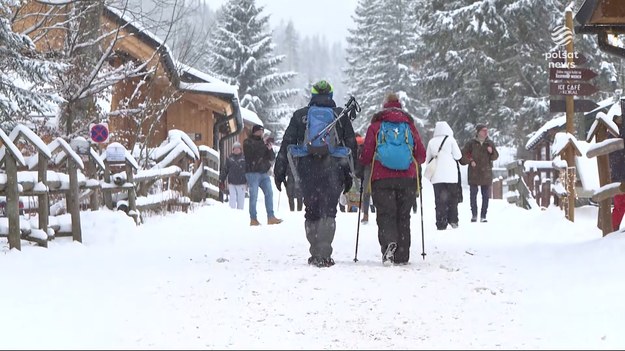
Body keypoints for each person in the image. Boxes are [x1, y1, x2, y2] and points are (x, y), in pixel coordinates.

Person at [273, 80, 357, 268]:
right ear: (331, 95)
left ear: (312, 95)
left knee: (311, 211)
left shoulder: (300, 116)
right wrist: (352, 173)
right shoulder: (339, 116)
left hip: (307, 168)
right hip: (334, 168)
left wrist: (279, 170)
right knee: (329, 211)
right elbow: (351, 145)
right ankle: (325, 253)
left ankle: (314, 251)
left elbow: (287, 143)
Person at [359, 93, 426, 265]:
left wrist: (362, 165)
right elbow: (421, 155)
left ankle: (389, 245)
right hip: (407, 179)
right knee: (403, 216)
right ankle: (402, 255)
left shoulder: (376, 126)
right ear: (400, 105)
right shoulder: (409, 126)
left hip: (382, 178)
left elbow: (366, 154)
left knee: (386, 214)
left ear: (385, 106)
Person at [425, 121, 463, 230]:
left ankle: (441, 222)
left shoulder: (432, 142)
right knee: (453, 199)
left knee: (439, 200)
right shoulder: (450, 140)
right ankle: (453, 220)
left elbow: (427, 160)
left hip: (437, 176)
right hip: (451, 176)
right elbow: (458, 155)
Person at [243, 124, 283, 226]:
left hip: (264, 173)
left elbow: (271, 157)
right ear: (254, 132)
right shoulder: (247, 142)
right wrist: (263, 143)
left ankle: (271, 217)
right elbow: (252, 153)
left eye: (262, 131)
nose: (261, 133)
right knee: (254, 196)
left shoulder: (263, 143)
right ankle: (253, 219)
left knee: (269, 193)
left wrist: (269, 149)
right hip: (252, 173)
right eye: (259, 131)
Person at [460, 124, 499, 223]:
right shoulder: (471, 143)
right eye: (483, 130)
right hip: (474, 173)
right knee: (473, 195)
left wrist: (491, 152)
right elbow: (462, 156)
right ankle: (474, 214)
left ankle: (483, 215)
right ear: (478, 132)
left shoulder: (489, 143)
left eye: (486, 130)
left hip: (486, 173)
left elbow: (495, 156)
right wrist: (470, 160)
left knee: (485, 196)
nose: (485, 132)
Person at [219, 142, 247, 210]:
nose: (236, 150)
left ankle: (240, 215)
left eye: (238, 148)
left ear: (240, 149)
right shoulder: (229, 159)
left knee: (241, 201)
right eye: (235, 148)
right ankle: (232, 214)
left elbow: (249, 170)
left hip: (242, 183)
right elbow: (225, 170)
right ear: (233, 149)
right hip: (232, 183)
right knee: (232, 201)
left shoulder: (245, 158)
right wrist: (221, 180)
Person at [354, 134, 375, 223]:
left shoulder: (359, 143)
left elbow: (361, 159)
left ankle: (366, 215)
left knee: (366, 192)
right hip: (379, 165)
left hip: (367, 167)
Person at [609, 114, 625, 231]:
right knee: (620, 205)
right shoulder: (614, 134)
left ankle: (612, 228)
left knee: (619, 205)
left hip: (618, 174)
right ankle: (612, 229)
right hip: (619, 175)